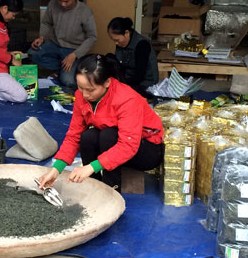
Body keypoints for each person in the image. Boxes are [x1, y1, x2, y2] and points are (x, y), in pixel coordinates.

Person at [38, 54, 164, 192]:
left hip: (146, 150)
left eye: (90, 89)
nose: (85, 94)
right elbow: (74, 135)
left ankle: (111, 190)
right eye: (80, 87)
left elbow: (128, 145)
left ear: (107, 82)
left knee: (108, 135)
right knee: (88, 136)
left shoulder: (126, 99)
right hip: (113, 141)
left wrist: (91, 167)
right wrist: (56, 169)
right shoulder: (81, 96)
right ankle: (92, 186)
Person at [29, 0, 97, 88]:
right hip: (55, 45)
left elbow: (92, 37)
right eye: (60, 0)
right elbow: (46, 23)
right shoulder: (53, 3)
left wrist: (74, 55)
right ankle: (61, 68)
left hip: (73, 50)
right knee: (32, 53)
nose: (62, 4)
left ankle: (66, 69)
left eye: (66, 1)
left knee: (68, 81)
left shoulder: (85, 12)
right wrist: (42, 37)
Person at [107, 17, 158, 97]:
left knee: (116, 93)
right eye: (114, 40)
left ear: (126, 33)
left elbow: (139, 76)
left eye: (117, 40)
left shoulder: (142, 44)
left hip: (145, 84)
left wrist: (122, 84)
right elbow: (121, 64)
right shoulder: (121, 43)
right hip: (129, 78)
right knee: (109, 58)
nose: (116, 43)